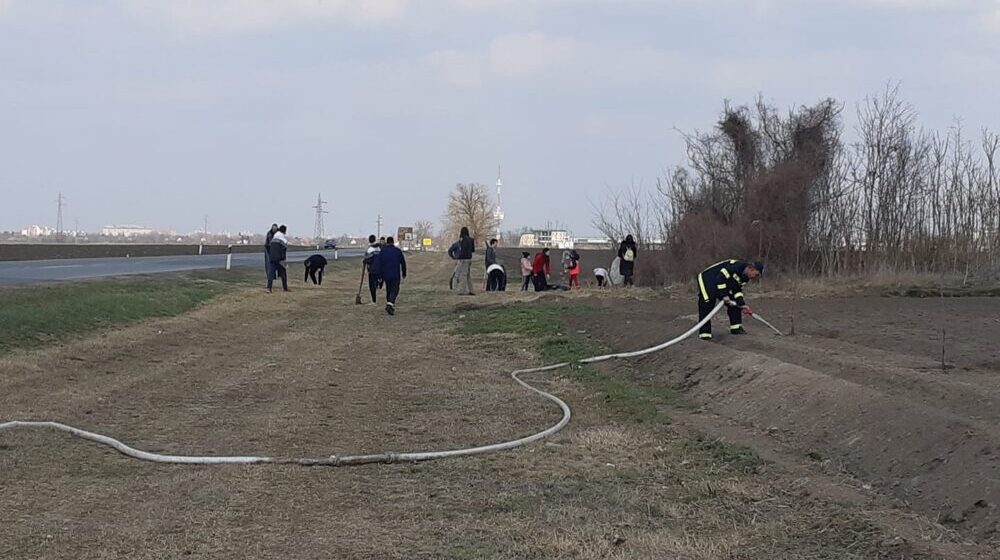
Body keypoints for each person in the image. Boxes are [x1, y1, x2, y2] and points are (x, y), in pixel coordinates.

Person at [696, 260, 764, 340]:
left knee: (734, 303)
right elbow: (720, 279)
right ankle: (705, 334)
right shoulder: (734, 268)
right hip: (708, 279)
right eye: (756, 274)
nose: (755, 277)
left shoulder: (745, 278)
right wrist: (724, 295)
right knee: (707, 303)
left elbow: (737, 290)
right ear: (751, 269)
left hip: (723, 283)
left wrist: (742, 304)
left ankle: (736, 327)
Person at [376, 236, 407, 315]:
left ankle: (390, 304)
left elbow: (379, 264)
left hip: (385, 274)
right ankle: (389, 304)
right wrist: (404, 272)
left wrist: (379, 276)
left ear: (387, 242)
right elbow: (403, 262)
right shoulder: (397, 251)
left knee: (389, 289)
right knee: (395, 289)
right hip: (395, 274)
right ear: (393, 242)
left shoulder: (382, 252)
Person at [267, 225, 289, 293]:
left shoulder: (274, 238)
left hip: (272, 258)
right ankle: (285, 288)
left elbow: (269, 247)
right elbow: (283, 251)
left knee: (271, 273)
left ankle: (269, 288)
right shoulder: (283, 239)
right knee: (283, 273)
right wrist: (284, 261)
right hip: (279, 259)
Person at [454, 226, 476, 295]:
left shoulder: (463, 239)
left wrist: (459, 257)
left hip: (464, 259)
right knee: (468, 275)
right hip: (469, 259)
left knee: (463, 275)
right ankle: (472, 290)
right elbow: (473, 250)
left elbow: (462, 250)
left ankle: (461, 291)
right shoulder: (471, 239)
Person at [363, 235, 382, 304]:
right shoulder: (379, 248)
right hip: (380, 269)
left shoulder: (369, 249)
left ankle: (374, 300)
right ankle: (379, 281)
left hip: (372, 270)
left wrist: (365, 260)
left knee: (371, 285)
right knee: (376, 281)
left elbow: (368, 260)